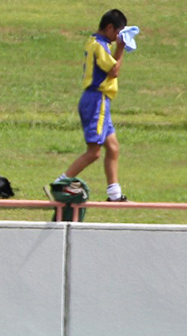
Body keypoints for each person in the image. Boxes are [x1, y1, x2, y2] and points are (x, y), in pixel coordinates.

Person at [52, 9, 130, 202]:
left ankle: (114, 194)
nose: (117, 37)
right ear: (109, 28)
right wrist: (120, 49)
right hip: (97, 100)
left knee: (113, 148)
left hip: (99, 100)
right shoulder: (101, 46)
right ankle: (59, 184)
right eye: (117, 32)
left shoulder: (94, 41)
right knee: (94, 152)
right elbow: (114, 71)